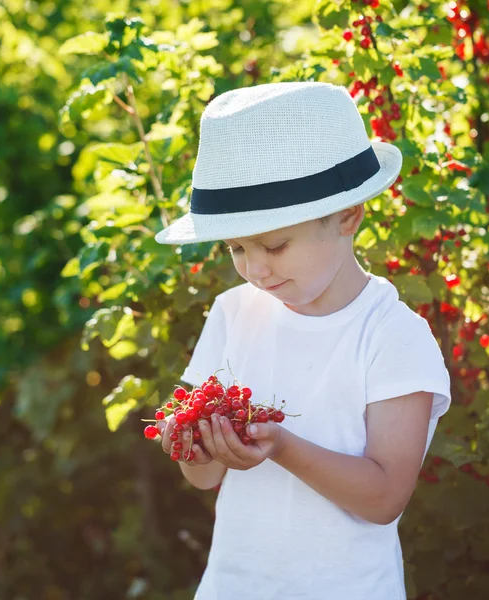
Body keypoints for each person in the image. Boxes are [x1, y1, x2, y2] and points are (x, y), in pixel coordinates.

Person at [155, 81, 452, 600]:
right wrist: (192, 441)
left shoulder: (393, 336)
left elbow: (383, 498)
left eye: (274, 244)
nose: (255, 269)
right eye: (236, 249)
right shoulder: (233, 313)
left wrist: (282, 447)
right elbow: (201, 479)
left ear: (348, 216)